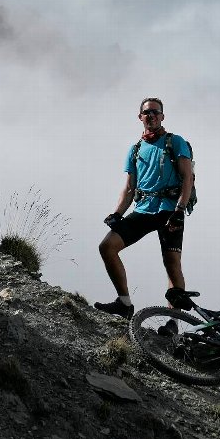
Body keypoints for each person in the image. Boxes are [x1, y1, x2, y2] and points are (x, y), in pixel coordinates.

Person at [94, 97, 193, 320]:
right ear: (140, 117)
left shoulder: (176, 142)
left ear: (162, 117)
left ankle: (173, 323)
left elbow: (187, 178)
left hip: (169, 210)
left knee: (172, 264)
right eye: (147, 113)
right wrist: (117, 213)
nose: (151, 116)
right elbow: (129, 187)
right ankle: (124, 303)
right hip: (144, 210)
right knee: (107, 246)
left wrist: (180, 210)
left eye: (156, 112)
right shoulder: (136, 149)